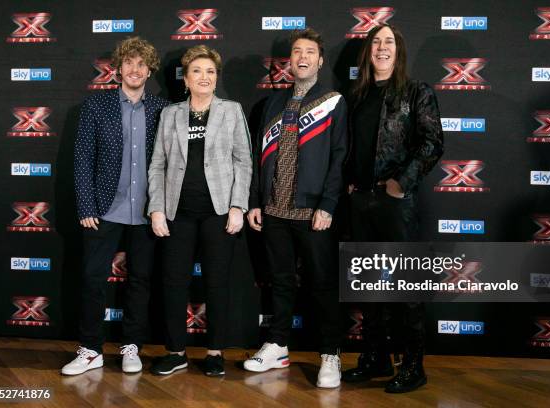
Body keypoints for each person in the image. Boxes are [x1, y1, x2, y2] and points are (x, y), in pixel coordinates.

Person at [243, 28, 348, 388]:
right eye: (296, 52)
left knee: (322, 284)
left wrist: (328, 204)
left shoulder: (334, 100)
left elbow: (339, 157)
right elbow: (259, 159)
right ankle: (277, 344)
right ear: (289, 61)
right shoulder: (271, 104)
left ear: (320, 60)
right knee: (280, 282)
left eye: (310, 52)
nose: (302, 57)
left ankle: (330, 354)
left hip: (313, 211)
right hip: (274, 210)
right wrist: (256, 201)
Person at [341, 23, 444, 393]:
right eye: (376, 42)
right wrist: (349, 181)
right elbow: (350, 146)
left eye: (389, 42)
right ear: (368, 52)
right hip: (360, 201)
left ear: (398, 51)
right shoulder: (357, 94)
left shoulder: (417, 91)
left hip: (395, 201)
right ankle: (375, 357)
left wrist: (402, 182)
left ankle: (413, 365)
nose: (381, 48)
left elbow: (432, 143)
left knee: (405, 285)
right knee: (368, 286)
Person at [64, 37, 169, 375]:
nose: (135, 69)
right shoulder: (96, 106)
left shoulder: (161, 109)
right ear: (118, 68)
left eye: (141, 64)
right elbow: (82, 159)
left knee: (139, 280)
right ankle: (90, 348)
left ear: (149, 69)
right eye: (129, 63)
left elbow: (169, 163)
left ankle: (131, 346)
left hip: (146, 211)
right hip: (104, 209)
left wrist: (161, 207)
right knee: (93, 278)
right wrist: (86, 205)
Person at [147, 45, 252, 377]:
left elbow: (243, 161)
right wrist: (157, 209)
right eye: (197, 71)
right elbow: (158, 166)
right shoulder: (170, 114)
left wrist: (238, 206)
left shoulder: (232, 111)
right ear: (186, 78)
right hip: (178, 213)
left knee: (217, 283)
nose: (204, 77)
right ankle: (176, 352)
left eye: (210, 71)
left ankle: (215, 352)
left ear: (216, 77)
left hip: (218, 212)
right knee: (174, 282)